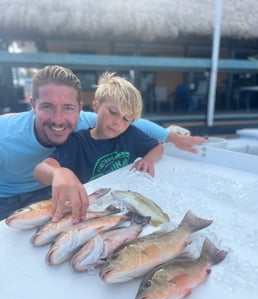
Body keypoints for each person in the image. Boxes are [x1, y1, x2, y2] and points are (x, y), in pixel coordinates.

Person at [0, 65, 207, 222]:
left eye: (68, 108)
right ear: (33, 105)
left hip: (55, 190)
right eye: (47, 106)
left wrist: (171, 137)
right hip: (9, 197)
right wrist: (57, 172)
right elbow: (43, 168)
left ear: (80, 108)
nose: (59, 119)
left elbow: (135, 122)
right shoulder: (5, 134)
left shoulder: (91, 121)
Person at [34, 72, 164, 223]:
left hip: (122, 207)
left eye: (126, 118)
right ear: (96, 105)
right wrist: (57, 172)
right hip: (88, 209)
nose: (118, 122)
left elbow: (158, 147)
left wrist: (148, 159)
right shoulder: (77, 142)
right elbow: (41, 170)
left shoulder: (131, 134)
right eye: (113, 112)